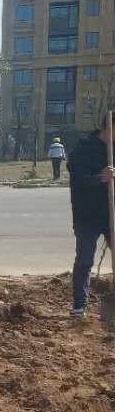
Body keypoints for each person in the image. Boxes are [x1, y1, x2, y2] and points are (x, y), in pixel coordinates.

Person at [67, 114, 114, 318]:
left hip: (111, 214)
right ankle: (79, 306)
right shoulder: (84, 147)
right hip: (88, 215)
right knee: (85, 260)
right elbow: (77, 179)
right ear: (110, 126)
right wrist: (100, 177)